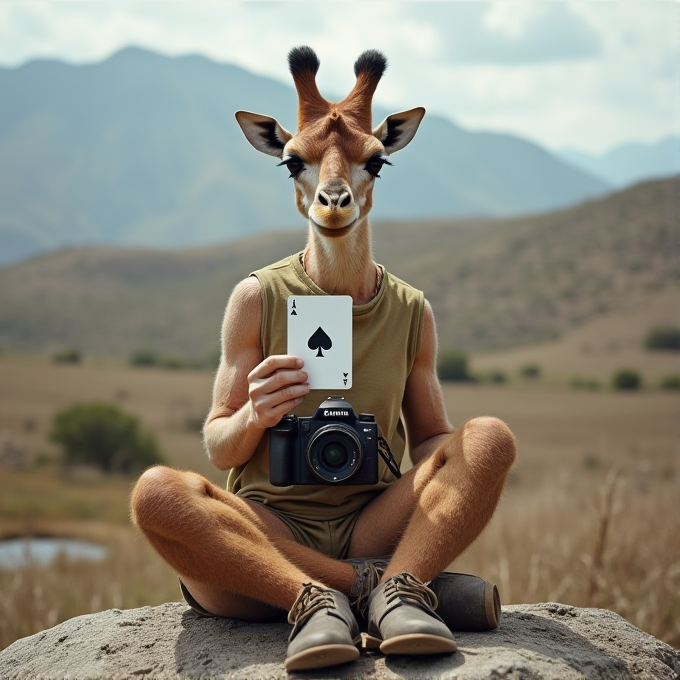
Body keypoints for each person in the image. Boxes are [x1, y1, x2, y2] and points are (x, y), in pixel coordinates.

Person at [131, 46, 516, 672]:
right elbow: (221, 447)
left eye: (367, 166)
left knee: (491, 438)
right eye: (300, 167)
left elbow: (433, 442)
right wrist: (253, 416)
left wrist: (452, 466)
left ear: (380, 164)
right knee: (156, 494)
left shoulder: (411, 309)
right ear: (283, 162)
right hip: (265, 536)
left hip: (376, 522)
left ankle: (378, 588)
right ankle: (368, 592)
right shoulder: (256, 297)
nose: (333, 190)